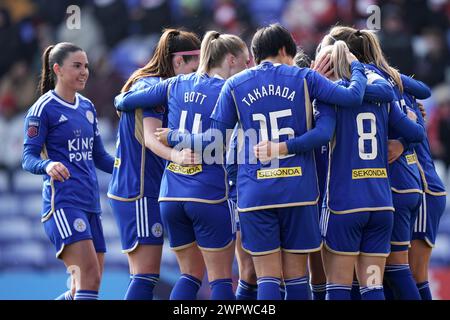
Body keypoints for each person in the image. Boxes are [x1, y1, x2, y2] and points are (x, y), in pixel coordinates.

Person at [151, 23, 371, 300]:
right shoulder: (305, 78)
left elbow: (214, 140)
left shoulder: (234, 84)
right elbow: (351, 99)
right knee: (296, 278)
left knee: (265, 277)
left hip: (255, 193)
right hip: (298, 192)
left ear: (255, 55)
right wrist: (358, 67)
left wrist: (175, 136)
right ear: (284, 50)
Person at [115, 30, 250, 300]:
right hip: (210, 194)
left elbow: (124, 100)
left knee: (189, 275)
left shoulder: (176, 84)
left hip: (171, 196)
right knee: (221, 279)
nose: (249, 68)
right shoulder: (230, 91)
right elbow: (220, 141)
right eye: (246, 62)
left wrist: (121, 100)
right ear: (231, 60)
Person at [321, 26, 430, 300]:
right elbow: (417, 130)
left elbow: (318, 135)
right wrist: (408, 132)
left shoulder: (330, 93)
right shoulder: (384, 92)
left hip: (344, 205)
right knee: (373, 284)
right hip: (381, 203)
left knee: (338, 285)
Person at [107, 28, 201, 300]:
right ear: (177, 61)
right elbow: (151, 139)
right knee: (145, 275)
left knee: (147, 275)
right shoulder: (153, 88)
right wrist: (177, 156)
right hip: (139, 190)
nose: (197, 74)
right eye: (194, 65)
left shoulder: (152, 85)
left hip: (142, 188)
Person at [22, 42, 114, 300]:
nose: (84, 71)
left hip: (90, 204)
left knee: (84, 286)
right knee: (89, 277)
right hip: (62, 203)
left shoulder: (87, 107)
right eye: (77, 66)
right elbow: (27, 157)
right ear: (58, 69)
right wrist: (47, 165)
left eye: (86, 66)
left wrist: (126, 167)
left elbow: (99, 157)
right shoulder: (43, 109)